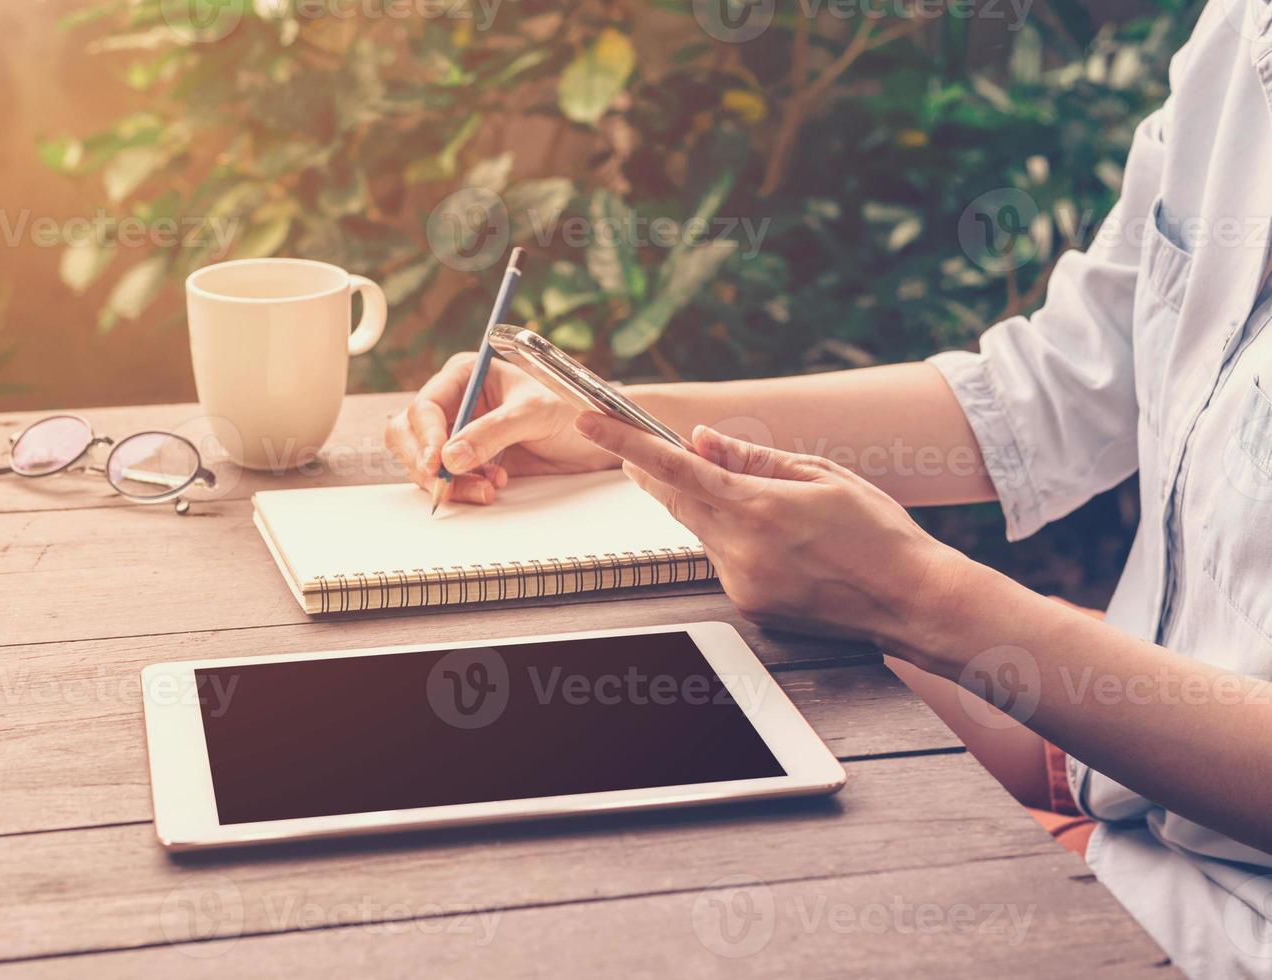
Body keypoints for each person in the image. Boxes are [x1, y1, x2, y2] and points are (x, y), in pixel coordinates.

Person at [388, 1, 1272, 975]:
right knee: (678, 686)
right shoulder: (1239, 37)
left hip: (1226, 898)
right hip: (1132, 741)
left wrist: (919, 596)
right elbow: (1055, 389)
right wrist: (614, 418)